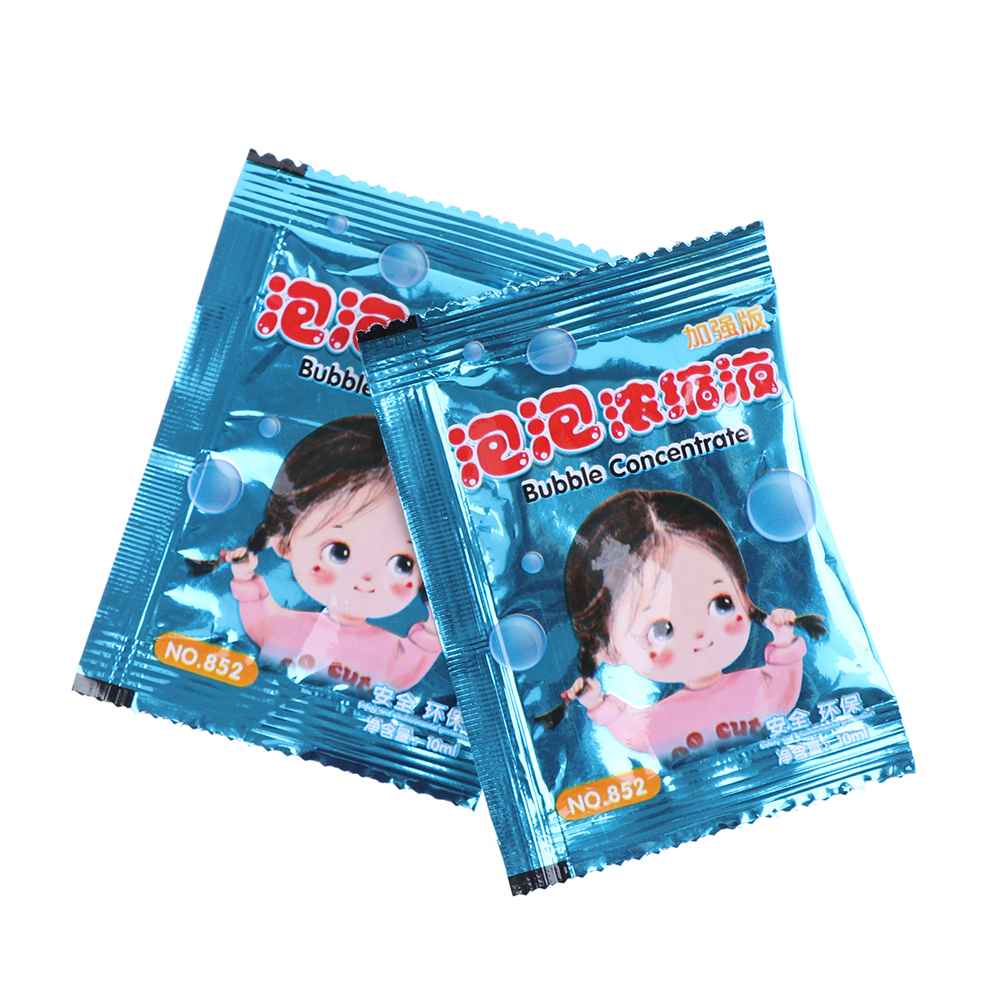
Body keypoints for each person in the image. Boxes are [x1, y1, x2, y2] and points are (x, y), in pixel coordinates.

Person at [555, 489, 825, 760]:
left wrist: (784, 642)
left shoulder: (760, 690)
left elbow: (782, 695)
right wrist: (597, 704)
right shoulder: (664, 721)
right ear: (609, 650)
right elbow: (637, 735)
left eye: (722, 604)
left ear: (743, 595)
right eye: (661, 630)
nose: (700, 634)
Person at [206, 415, 440, 692]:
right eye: (339, 552)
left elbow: (409, 667)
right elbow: (261, 623)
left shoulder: (391, 654)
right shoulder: (287, 627)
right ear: (284, 542)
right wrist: (245, 579)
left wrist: (438, 624)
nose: (366, 576)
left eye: (402, 564)